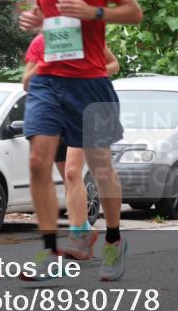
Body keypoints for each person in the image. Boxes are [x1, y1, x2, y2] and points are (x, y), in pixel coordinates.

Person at [18, 0, 142, 282]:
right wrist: (33, 20)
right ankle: (49, 250)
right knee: (38, 161)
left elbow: (134, 12)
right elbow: (48, 15)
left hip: (90, 82)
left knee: (101, 167)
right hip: (49, 80)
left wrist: (95, 12)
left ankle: (114, 240)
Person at [21, 33, 120, 259]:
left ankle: (81, 237)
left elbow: (113, 64)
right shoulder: (40, 43)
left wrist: (91, 74)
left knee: (73, 172)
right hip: (53, 114)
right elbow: (26, 83)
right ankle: (84, 230)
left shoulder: (85, 37)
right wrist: (46, 64)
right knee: (69, 179)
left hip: (83, 107)